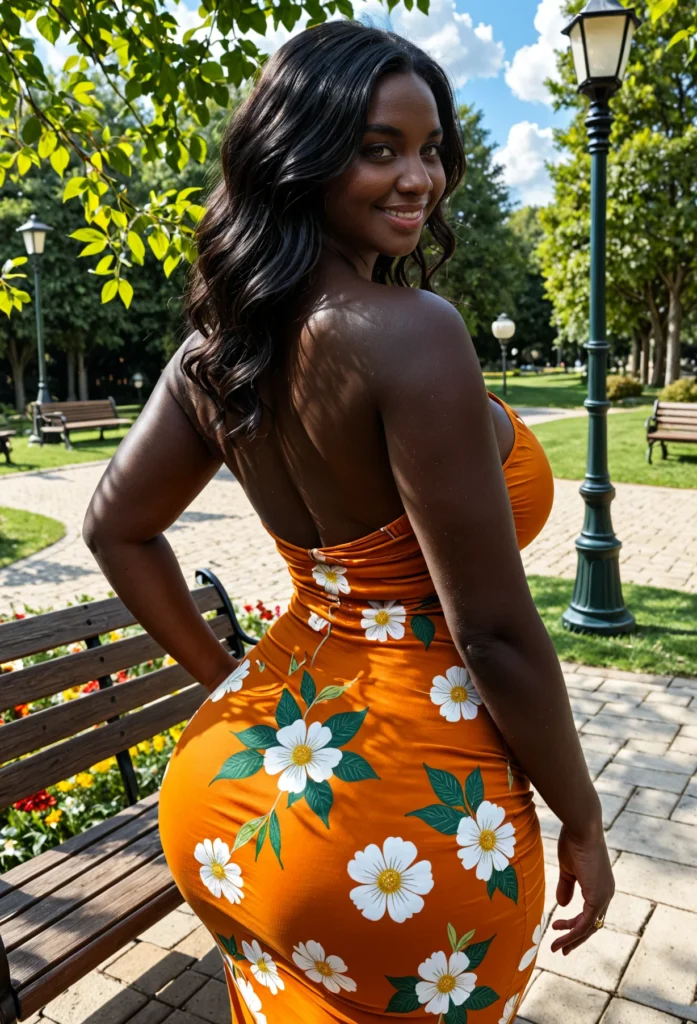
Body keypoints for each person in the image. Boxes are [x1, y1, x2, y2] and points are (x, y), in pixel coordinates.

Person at [84, 20, 614, 1024]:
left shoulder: (217, 349)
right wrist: (581, 819)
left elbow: (116, 527)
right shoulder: (413, 335)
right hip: (396, 823)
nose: (420, 177)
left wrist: (226, 681)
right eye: (379, 149)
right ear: (300, 154)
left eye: (431, 149)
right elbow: (492, 636)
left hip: (234, 786)